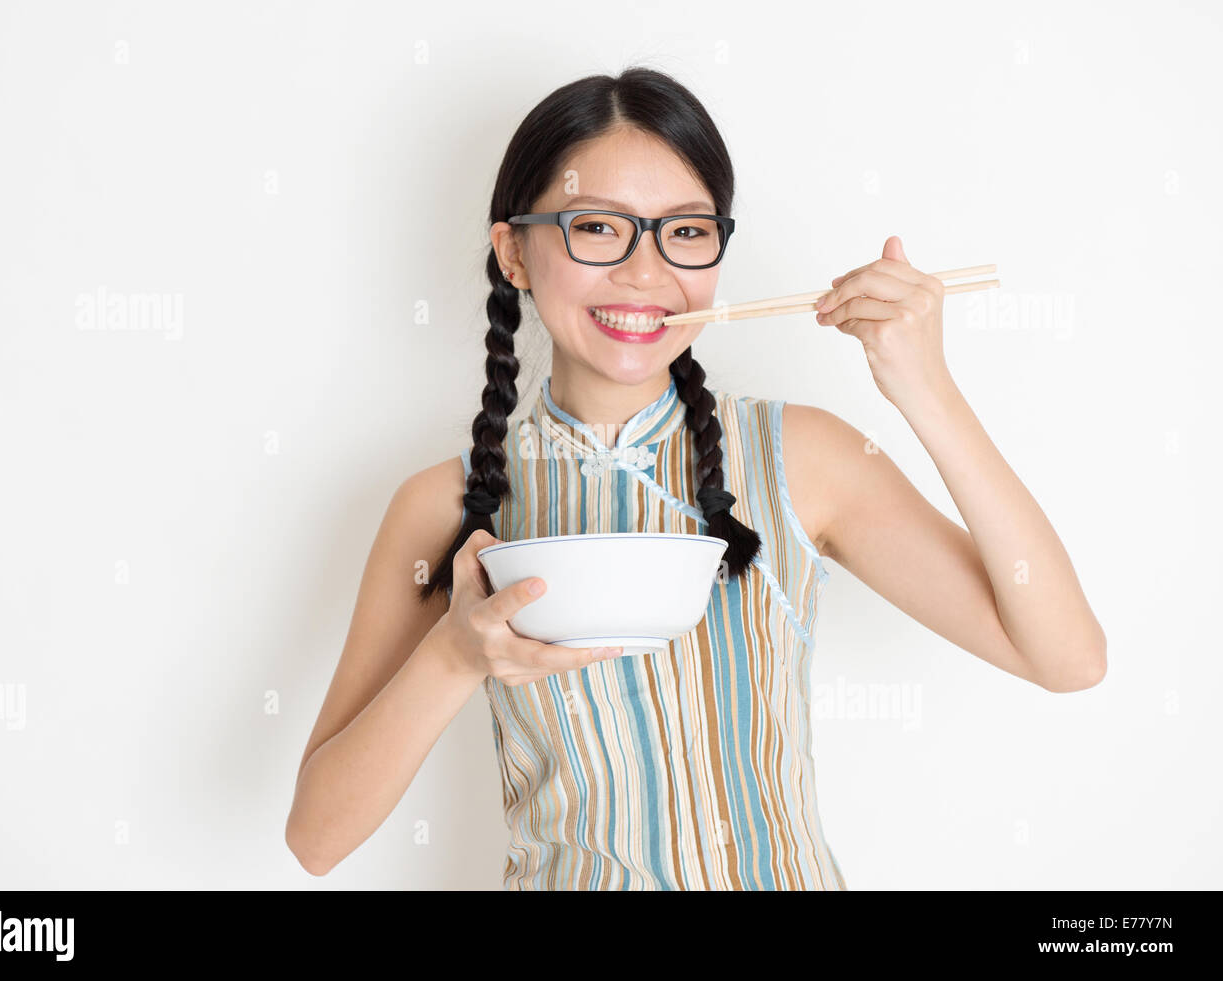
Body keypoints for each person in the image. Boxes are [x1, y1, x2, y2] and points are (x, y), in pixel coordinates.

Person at [285, 67, 1107, 889]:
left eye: (684, 232)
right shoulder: (441, 505)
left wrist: (926, 388)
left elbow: (1068, 657)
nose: (647, 274)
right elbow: (316, 837)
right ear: (515, 253)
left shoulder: (801, 456)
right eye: (598, 228)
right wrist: (456, 655)